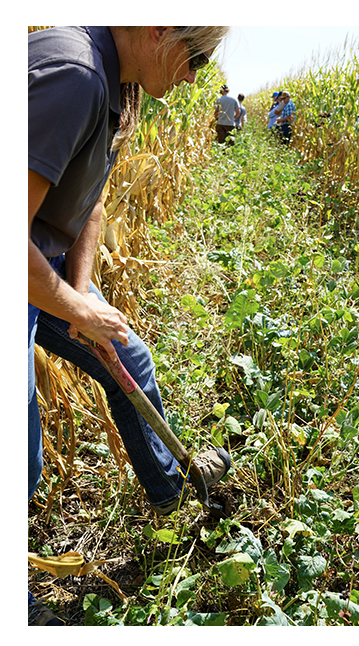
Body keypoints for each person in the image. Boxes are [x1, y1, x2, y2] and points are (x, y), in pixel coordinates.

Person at [28, 25, 231, 626]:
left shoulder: (120, 87)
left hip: (42, 266)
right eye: (194, 56)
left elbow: (89, 197)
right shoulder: (77, 77)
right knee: (19, 453)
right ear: (157, 28)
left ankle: (171, 492)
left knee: (129, 361)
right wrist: (71, 305)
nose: (195, 74)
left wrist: (83, 294)